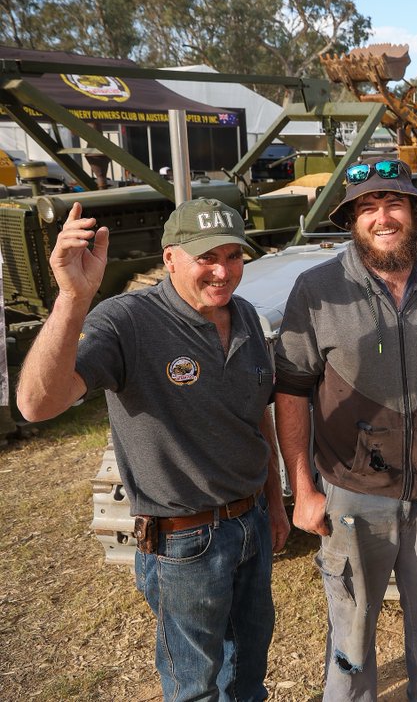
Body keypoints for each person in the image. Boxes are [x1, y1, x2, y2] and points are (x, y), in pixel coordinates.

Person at [16, 197, 289, 701]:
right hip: (184, 543)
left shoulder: (247, 317)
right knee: (196, 687)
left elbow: (258, 419)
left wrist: (273, 502)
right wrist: (73, 298)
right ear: (170, 258)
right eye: (207, 256)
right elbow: (36, 404)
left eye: (234, 256)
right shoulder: (127, 321)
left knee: (249, 671)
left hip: (250, 523)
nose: (223, 271)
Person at [274, 159, 417, 701]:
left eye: (393, 203)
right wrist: (303, 487)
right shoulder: (317, 290)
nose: (382, 217)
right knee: (352, 625)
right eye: (367, 207)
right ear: (351, 220)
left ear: (415, 212)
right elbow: (291, 389)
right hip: (351, 493)